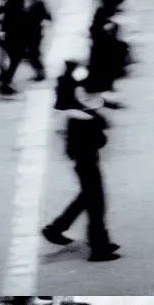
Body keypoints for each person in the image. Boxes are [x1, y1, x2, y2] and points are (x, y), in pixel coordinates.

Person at [43, 104, 119, 261]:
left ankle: (57, 229)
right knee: (96, 205)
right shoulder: (87, 120)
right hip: (89, 163)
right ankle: (98, 247)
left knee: (87, 198)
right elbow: (100, 140)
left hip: (82, 163)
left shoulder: (74, 117)